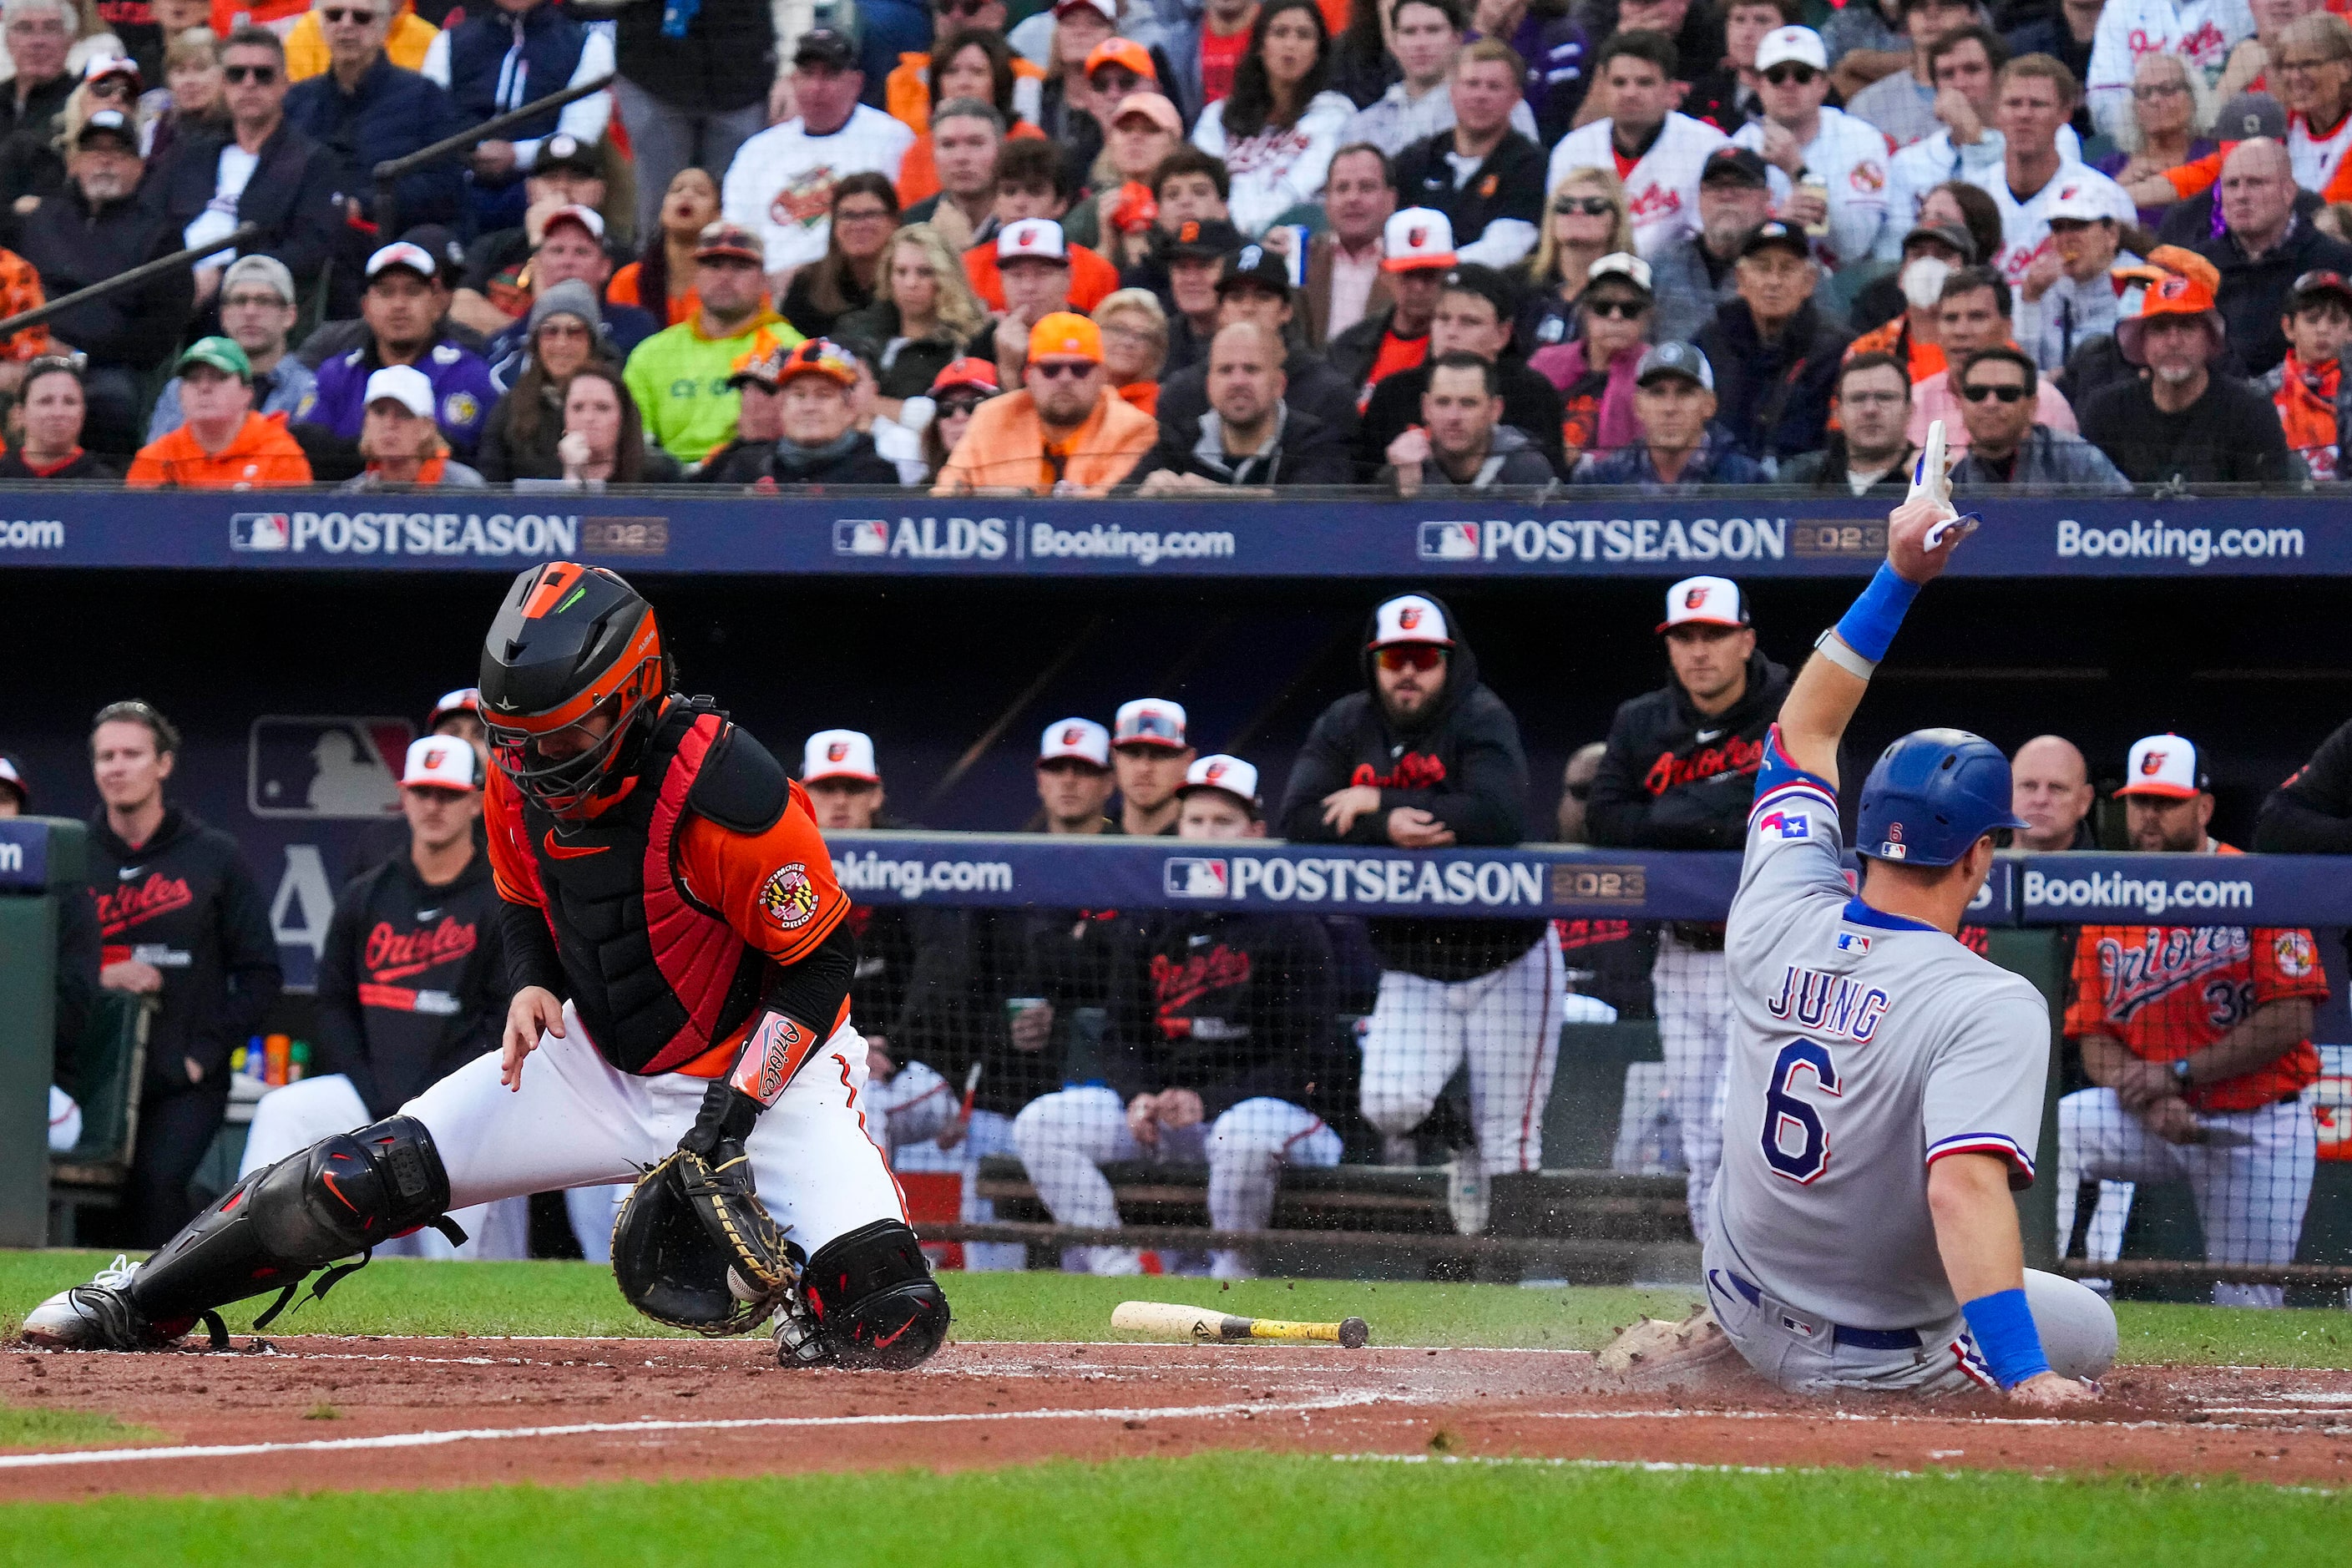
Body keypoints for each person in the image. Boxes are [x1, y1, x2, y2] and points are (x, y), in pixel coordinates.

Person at [31, 566, 955, 1366]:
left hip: (768, 1077)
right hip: (589, 1060)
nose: (533, 764)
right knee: (359, 1176)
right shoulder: (515, 771)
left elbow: (822, 960)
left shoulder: (735, 796)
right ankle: (140, 1296)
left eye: (561, 739)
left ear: (631, 697)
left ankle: (808, 1313)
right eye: (515, 740)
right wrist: (529, 980)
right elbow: (520, 898)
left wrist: (734, 1114)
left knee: (889, 1317)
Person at [1601, 455, 2116, 1405]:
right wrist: (2027, 1375)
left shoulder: (1774, 907)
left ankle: (1721, 1338)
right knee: (2092, 1326)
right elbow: (1962, 1190)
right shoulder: (1990, 998)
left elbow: (1802, 732)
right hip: (1874, 1358)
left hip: (1740, 1290)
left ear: (1868, 828)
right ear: (1976, 857)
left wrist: (1898, 577)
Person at [1276, 592, 1556, 1235]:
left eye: (1422, 658)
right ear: (1373, 663)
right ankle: (1458, 1142)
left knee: (1512, 1140)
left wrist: (1372, 797)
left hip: (1505, 958)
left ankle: (1509, 1281)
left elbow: (1500, 816)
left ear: (1446, 662)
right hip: (1412, 962)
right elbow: (1295, 818)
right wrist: (1386, 822)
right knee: (1389, 1104)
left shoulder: (1480, 713)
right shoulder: (1347, 723)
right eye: (1393, 657)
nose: (1408, 671)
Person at [1012, 753, 1342, 1278]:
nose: (1206, 833)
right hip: (1174, 1119)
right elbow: (1123, 1035)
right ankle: (1113, 1266)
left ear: (1255, 833)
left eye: (1222, 822)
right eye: (1195, 820)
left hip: (1273, 1118)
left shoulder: (1290, 922)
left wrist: (1207, 1100)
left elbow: (1311, 1059)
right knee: (1041, 1125)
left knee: (1242, 1135)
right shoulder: (1152, 919)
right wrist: (1137, 1095)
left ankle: (1235, 1272)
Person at [2056, 733, 2329, 1311]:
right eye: (2139, 802)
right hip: (2152, 1116)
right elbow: (2093, 1037)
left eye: (2166, 802)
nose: (2149, 816)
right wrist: (2150, 1095)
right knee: (2058, 1129)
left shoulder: (2255, 880)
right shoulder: (2109, 893)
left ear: (2202, 807)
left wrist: (2175, 1074)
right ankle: (2035, 1292)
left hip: (2253, 1124)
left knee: (2248, 1302)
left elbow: (2291, 1015)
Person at [236, 736, 526, 1262]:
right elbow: (334, 1003)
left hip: (459, 1102)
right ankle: (245, 1252)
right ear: (406, 798)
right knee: (283, 1111)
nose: (434, 806)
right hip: (370, 1094)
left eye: (448, 794)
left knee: (460, 1260)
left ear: (473, 801)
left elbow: (497, 1020)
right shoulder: (367, 893)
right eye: (423, 793)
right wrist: (374, 1092)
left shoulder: (498, 899)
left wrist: (429, 1096)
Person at [1582, 574, 1788, 1246]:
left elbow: (1786, 812)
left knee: (1740, 1128)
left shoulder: (1789, 704)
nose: (1699, 651)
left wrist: (1669, 814)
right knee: (1701, 1141)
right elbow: (1606, 819)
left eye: (1715, 636)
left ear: (1746, 640)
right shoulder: (1641, 721)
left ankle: (1771, 1277)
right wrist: (1718, 803)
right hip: (1680, 952)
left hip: (1768, 952)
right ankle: (1722, 1289)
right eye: (1685, 638)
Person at [78, 701, 281, 1248]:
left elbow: (261, 974)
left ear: (163, 764)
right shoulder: (75, 856)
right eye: (105, 756)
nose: (116, 767)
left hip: (181, 1078)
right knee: (90, 1206)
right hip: (89, 1078)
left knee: (158, 1187)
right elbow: (45, 970)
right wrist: (107, 971)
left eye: (131, 754)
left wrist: (202, 1057)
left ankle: (161, 1320)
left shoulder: (214, 855)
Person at [13, 109, 195, 453]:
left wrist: (75, 356)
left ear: (139, 168)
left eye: (119, 153)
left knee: (113, 401)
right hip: (23, 355)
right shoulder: (39, 219)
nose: (105, 162)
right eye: (95, 152)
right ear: (74, 163)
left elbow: (156, 337)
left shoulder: (161, 237)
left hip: (101, 369)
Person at [153, 27, 342, 311]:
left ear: (284, 84)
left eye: (263, 75)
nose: (249, 84)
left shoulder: (313, 161)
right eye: (236, 74)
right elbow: (146, 218)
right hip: (167, 289)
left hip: (249, 300)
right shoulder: (189, 154)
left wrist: (227, 272)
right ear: (223, 83)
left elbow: (311, 250)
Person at [721, 28, 915, 285]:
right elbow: (737, 234)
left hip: (857, 284)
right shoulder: (757, 150)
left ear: (856, 83)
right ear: (792, 80)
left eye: (830, 75)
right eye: (807, 74)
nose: (816, 88)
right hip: (769, 291)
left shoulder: (892, 138)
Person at [2081, 267, 2299, 478]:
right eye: (2160, 328)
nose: (2174, 341)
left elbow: (2270, 508)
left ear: (2210, 340)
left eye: (2186, 326)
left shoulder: (2251, 413)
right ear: (2142, 343)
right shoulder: (2105, 412)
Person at [294, 240, 498, 463]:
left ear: (435, 304)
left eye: (412, 291)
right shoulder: (337, 372)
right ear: (366, 308)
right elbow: (305, 446)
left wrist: (355, 451)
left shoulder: (467, 372)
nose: (399, 304)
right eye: (386, 292)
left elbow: (447, 451)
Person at [418, 0, 611, 233]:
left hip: (538, 186)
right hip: (457, 184)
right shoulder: (448, 41)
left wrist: (516, 155)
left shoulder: (589, 44)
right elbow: (428, 123)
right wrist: (473, 151)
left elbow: (580, 135)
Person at [622, 220, 802, 468]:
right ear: (696, 275)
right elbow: (636, 439)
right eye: (714, 266)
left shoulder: (790, 348)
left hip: (750, 480)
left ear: (763, 279)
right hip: (669, 485)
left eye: (740, 267)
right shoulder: (652, 353)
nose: (725, 277)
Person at [1361, 260, 1565, 473]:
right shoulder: (1394, 393)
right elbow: (1360, 489)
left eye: (1469, 322)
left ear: (1502, 334)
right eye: (1443, 318)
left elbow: (1552, 489)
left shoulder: (1532, 394)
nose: (1451, 332)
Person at [281, 0, 463, 231]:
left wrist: (363, 205)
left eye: (361, 17)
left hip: (396, 238)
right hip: (312, 239)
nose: (346, 25)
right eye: (334, 15)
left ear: (384, 27)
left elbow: (443, 185)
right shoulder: (297, 101)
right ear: (320, 25)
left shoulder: (424, 96)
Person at [609, 0, 776, 248]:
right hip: (651, 73)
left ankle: (733, 283)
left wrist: (790, 70)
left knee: (737, 212)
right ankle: (652, 283)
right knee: (659, 213)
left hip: (744, 78)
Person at [933, 309, 1159, 491]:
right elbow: (947, 492)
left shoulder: (1134, 428)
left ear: (1102, 375)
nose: (1065, 379)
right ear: (1029, 376)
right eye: (1051, 369)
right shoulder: (991, 417)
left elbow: (1116, 507)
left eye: (1080, 369)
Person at [1548, 31, 1730, 256]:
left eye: (1645, 83)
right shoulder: (1573, 150)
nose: (1630, 93)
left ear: (1669, 90)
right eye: (1619, 83)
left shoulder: (1707, 146)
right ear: (1603, 88)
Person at [1730, 26, 1893, 271]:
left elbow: (1854, 246)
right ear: (1760, 86)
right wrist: (1776, 225)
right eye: (1776, 75)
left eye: (1802, 74)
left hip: (1841, 282)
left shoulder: (1861, 138)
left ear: (1824, 85)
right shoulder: (1740, 147)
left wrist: (1799, 170)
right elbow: (1727, 244)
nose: (1789, 84)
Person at [1963, 56, 2132, 290]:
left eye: (2037, 104)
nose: (2024, 114)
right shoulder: (1970, 197)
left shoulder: (2104, 195)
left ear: (2065, 114)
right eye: (2013, 104)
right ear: (1996, 112)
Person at [1156, 242, 1363, 433]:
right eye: (1236, 298)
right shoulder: (1182, 392)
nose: (1248, 308)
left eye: (1263, 297)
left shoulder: (1328, 392)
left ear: (1286, 311)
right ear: (1221, 311)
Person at [1189, 0, 1356, 234]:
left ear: (1319, 51)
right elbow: (1203, 183)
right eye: (1280, 33)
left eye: (1304, 35)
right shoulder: (1218, 116)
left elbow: (1296, 189)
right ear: (1260, 45)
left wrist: (1249, 228)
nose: (1291, 44)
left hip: (1294, 237)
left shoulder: (1335, 115)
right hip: (1223, 241)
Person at [1125, 318, 1354, 487]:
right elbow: (1118, 506)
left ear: (1279, 385)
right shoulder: (1177, 441)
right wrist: (1144, 495)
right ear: (1209, 386)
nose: (1238, 381)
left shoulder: (1317, 441)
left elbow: (1312, 512)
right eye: (1225, 370)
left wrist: (1210, 498)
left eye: (1251, 369)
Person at [1695, 219, 1851, 463]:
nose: (1774, 281)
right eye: (1762, 268)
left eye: (1787, 268)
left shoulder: (1837, 349)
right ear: (1741, 280)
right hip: (1724, 485)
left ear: (1809, 281)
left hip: (1809, 489)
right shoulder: (1710, 343)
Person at [2197, 136, 2352, 373]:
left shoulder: (2338, 261)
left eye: (2256, 183)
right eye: (2231, 185)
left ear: (2288, 192)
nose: (2241, 195)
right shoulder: (2197, 265)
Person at [1647, 146, 1830, 346]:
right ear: (1699, 199)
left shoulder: (1796, 265)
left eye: (1741, 184)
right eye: (1715, 186)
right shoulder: (1663, 264)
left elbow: (1827, 341)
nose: (1727, 195)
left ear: (1767, 197)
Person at [1392, 38, 1544, 267]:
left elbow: (1506, 249)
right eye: (1472, 84)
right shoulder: (1417, 158)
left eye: (1494, 86)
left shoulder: (1531, 164)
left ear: (1515, 99)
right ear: (1452, 92)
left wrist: (1433, 268)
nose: (1481, 95)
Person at [474, 201, 656, 392]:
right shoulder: (505, 342)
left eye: (581, 251)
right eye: (557, 251)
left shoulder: (637, 328)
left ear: (605, 267)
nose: (567, 262)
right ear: (538, 263)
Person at [146, 254, 314, 441]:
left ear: (290, 315)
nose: (250, 312)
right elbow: (155, 464)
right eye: (240, 301)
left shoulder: (309, 390)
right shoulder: (182, 389)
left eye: (264, 301)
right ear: (223, 316)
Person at [1907, 266, 2078, 448]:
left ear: (2007, 328)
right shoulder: (1914, 403)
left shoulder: (2045, 403)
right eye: (1950, 319)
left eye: (1977, 317)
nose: (1961, 331)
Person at [1342, 0, 1539, 155]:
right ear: (1393, 43)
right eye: (1409, 32)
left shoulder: (1504, 108)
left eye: (1433, 30)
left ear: (1457, 38)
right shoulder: (1362, 127)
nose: (1421, 43)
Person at [835, 222, 987, 418]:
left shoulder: (970, 342)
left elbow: (948, 419)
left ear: (946, 277)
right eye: (901, 271)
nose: (911, 283)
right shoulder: (854, 331)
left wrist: (871, 405)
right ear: (888, 275)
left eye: (924, 272)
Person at [1573, 340, 1768, 487]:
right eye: (1657, 393)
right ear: (1638, 406)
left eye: (1685, 393)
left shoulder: (1746, 480)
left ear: (1710, 405)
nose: (1670, 408)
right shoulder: (1602, 480)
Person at [127, 336, 315, 486]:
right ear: (180, 394)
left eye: (219, 377)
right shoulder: (156, 458)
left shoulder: (280, 454)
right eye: (193, 379)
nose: (204, 387)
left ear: (247, 394)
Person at [962, 139, 1121, 311]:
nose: (1020, 203)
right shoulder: (968, 268)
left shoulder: (1097, 272)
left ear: (1060, 203)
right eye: (1010, 192)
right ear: (994, 202)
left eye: (1034, 191)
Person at [475, 280, 610, 482]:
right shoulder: (511, 406)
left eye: (575, 332)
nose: (561, 343)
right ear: (536, 342)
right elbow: (490, 481)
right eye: (550, 331)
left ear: (592, 342)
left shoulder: (614, 399)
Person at [1945, 343, 2133, 485]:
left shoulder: (2079, 461)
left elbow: (2131, 516)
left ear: (2032, 406)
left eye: (2007, 394)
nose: (1991, 403)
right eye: (1977, 393)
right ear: (1961, 403)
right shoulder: (1948, 480)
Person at [1383, 349, 1554, 490]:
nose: (1453, 417)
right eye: (1443, 402)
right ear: (1426, 408)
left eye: (1468, 403)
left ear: (1495, 410)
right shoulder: (1405, 465)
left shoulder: (1527, 470)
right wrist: (1408, 491)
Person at [1328, 205, 1453, 397]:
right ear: (1384, 274)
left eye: (1429, 275)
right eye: (1408, 275)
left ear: (1449, 274)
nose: (1418, 287)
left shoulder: (1460, 346)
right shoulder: (1348, 345)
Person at [744, 337, 903, 486]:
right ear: (781, 405)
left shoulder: (875, 477)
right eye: (799, 395)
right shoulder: (745, 468)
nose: (809, 407)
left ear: (849, 408)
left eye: (824, 395)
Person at [2016, 183, 2141, 371]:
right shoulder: (2046, 286)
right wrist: (2030, 302)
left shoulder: (2139, 283)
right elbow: (2022, 368)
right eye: (2057, 228)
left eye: (2078, 225)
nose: (2065, 239)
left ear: (2111, 235)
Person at [2086, 0, 2253, 138]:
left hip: (2220, 140)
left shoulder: (2239, 6)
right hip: (2142, 148)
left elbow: (2254, 69)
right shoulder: (2122, 7)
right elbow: (2104, 106)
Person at [1849, 0, 1996, 149]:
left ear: (1974, 16)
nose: (1932, 15)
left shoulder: (2002, 94)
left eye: (1947, 5)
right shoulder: (1868, 105)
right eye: (1919, 6)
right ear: (1906, 20)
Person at [884, 6, 1045, 139]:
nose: (956, 16)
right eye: (945, 5)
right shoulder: (901, 78)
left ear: (998, 15)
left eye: (970, 6)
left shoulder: (1030, 79)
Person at [2095, 52, 2218, 225]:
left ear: (2194, 98)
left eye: (2168, 89)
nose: (2153, 100)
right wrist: (2117, 184)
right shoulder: (2108, 169)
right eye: (2144, 92)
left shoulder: (2214, 154)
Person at [1060, 90, 1178, 266]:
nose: (1135, 137)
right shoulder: (1092, 211)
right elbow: (1066, 284)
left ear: (1174, 145)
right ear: (1110, 141)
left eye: (1151, 130)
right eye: (1125, 129)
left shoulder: (1186, 203)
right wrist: (1106, 246)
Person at [1853, 219, 1978, 379]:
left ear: (1970, 276)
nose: (1928, 265)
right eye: (1918, 255)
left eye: (1943, 255)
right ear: (1901, 277)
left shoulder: (1991, 348)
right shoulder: (1868, 352)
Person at [1780, 351, 1920, 494]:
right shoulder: (1800, 476)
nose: (1870, 410)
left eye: (1885, 397)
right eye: (1857, 399)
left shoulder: (1932, 479)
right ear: (1837, 412)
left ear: (1910, 410)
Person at [969, 216, 1086, 377]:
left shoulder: (1092, 331)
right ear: (1002, 281)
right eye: (1016, 275)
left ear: (1068, 278)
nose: (1028, 287)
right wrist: (1008, 369)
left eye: (1042, 274)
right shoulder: (983, 344)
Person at [608, 168, 722, 330]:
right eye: (677, 190)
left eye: (700, 192)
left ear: (718, 215)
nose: (687, 195)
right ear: (662, 211)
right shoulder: (629, 280)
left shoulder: (729, 280)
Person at [2264, 266, 2352, 478]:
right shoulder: (2260, 395)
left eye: (2336, 320)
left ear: (2350, 330)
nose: (2323, 329)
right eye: (2312, 319)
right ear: (2288, 328)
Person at [342, 363, 488, 487]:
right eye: (380, 412)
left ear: (427, 427)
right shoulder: (350, 496)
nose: (389, 424)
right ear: (366, 423)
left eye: (404, 414)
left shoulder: (465, 488)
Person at [901, 95, 1005, 257]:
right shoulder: (913, 223)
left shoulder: (1024, 221)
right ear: (933, 154)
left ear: (1001, 150)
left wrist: (966, 253)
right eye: (948, 145)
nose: (961, 157)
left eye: (975, 143)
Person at [549, 363, 679, 487]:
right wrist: (572, 476)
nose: (589, 418)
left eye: (602, 408)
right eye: (578, 408)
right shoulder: (542, 473)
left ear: (623, 418)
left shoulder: (659, 474)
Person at [0, 355, 110, 477]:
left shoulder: (105, 485)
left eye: (70, 402)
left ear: (83, 411)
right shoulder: (4, 475)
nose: (58, 413)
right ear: (20, 413)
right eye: (45, 401)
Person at [1104, 697, 1195, 836]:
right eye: (1133, 754)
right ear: (1114, 758)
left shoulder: (1199, 844)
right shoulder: (1092, 845)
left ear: (1187, 760)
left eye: (1160, 754)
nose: (1144, 768)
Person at [2011, 733, 2097, 851]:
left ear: (2084, 801)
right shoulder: (1979, 866)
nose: (2040, 800)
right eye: (2029, 786)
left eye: (2057, 788)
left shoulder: (2110, 869)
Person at [1093, 287, 1170, 412]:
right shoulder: (1073, 394)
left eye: (1142, 335)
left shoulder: (1162, 407)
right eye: (1118, 329)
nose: (1128, 342)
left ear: (1155, 351)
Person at [918, 355, 998, 475]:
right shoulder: (923, 491)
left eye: (973, 405)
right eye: (946, 408)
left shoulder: (1025, 484)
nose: (959, 417)